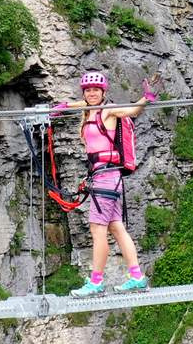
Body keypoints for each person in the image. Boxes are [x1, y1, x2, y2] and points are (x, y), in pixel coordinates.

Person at [66, 70, 159, 298]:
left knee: (97, 230)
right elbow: (80, 104)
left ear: (103, 92)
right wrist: (60, 107)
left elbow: (132, 111)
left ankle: (96, 282)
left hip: (106, 178)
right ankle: (137, 277)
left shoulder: (108, 111)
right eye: (88, 90)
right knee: (116, 227)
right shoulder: (88, 110)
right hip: (104, 176)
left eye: (96, 90)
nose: (92, 93)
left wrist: (146, 97)